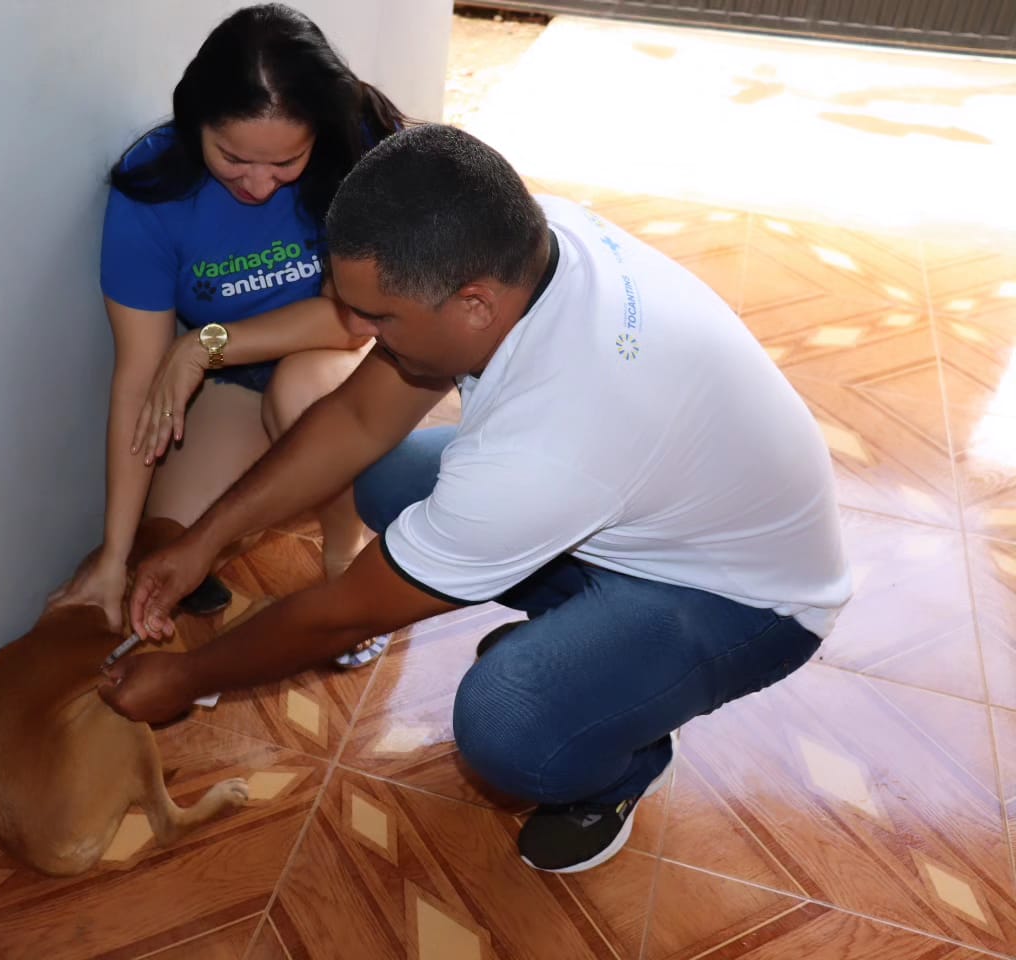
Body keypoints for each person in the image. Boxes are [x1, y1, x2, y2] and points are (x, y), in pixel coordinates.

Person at [98, 124, 852, 874]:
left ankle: (624, 755)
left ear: (474, 306)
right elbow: (358, 419)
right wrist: (203, 540)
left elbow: (350, 610)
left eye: (379, 317)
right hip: (657, 509)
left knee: (509, 723)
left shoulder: (551, 443)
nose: (356, 330)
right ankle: (593, 651)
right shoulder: (522, 239)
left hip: (747, 601)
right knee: (390, 475)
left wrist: (189, 678)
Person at [47, 4, 405, 667]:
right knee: (166, 551)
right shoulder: (151, 190)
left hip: (339, 365)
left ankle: (344, 559)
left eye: (286, 162)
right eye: (233, 158)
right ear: (195, 124)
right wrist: (112, 555)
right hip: (233, 383)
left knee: (303, 395)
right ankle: (267, 496)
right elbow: (137, 381)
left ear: (317, 136)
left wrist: (204, 343)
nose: (259, 184)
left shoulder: (355, 152)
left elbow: (355, 319)